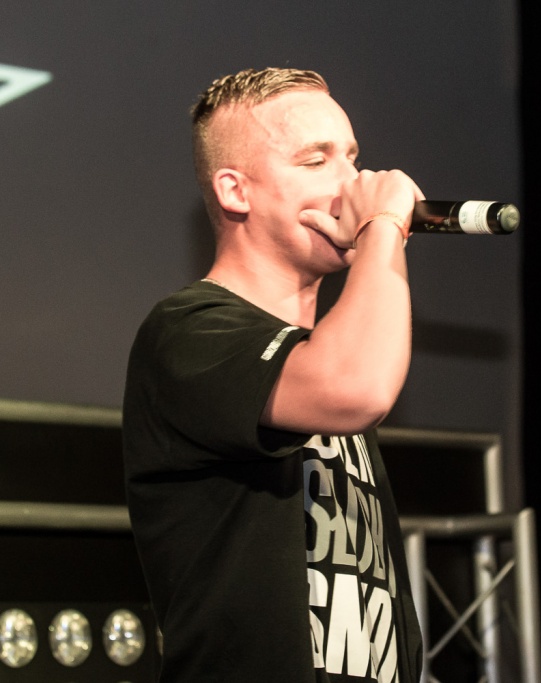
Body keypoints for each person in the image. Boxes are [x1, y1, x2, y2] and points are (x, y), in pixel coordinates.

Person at [122, 67, 425, 682]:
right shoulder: (188, 331)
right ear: (236, 192)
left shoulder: (323, 349)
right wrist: (383, 228)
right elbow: (357, 387)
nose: (354, 182)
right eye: (315, 160)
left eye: (352, 157)